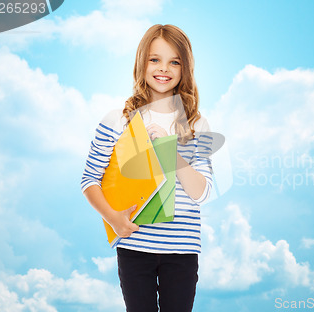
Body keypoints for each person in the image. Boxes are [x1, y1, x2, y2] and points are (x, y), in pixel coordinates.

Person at [81, 24, 213, 312]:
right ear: (142, 63)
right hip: (134, 244)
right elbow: (90, 179)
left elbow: (202, 193)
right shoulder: (118, 120)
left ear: (185, 68)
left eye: (174, 61)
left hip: (182, 249)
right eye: (155, 59)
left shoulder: (196, 125)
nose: (163, 68)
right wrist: (114, 219)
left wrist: (169, 152)